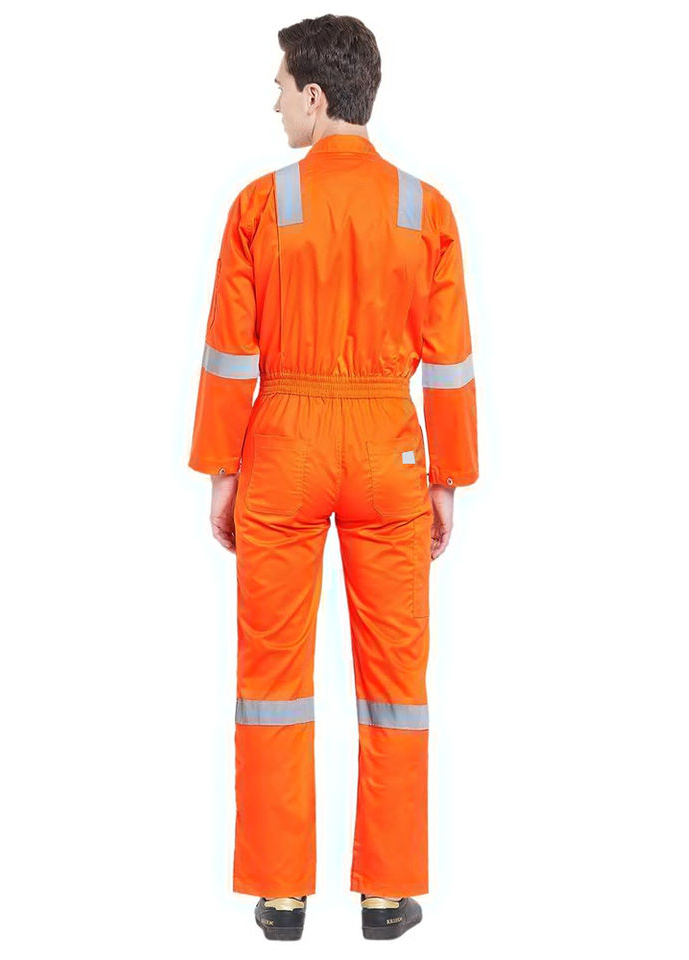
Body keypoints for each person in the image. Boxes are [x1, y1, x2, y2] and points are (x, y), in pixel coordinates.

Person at [188, 14, 478, 941]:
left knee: (273, 677)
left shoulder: (259, 205)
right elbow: (450, 363)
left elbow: (229, 352)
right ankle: (386, 895)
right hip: (390, 450)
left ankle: (282, 895)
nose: (274, 103)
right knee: (396, 679)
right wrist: (447, 478)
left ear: (316, 97)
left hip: (284, 446)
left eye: (280, 88)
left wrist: (221, 470)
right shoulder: (425, 209)